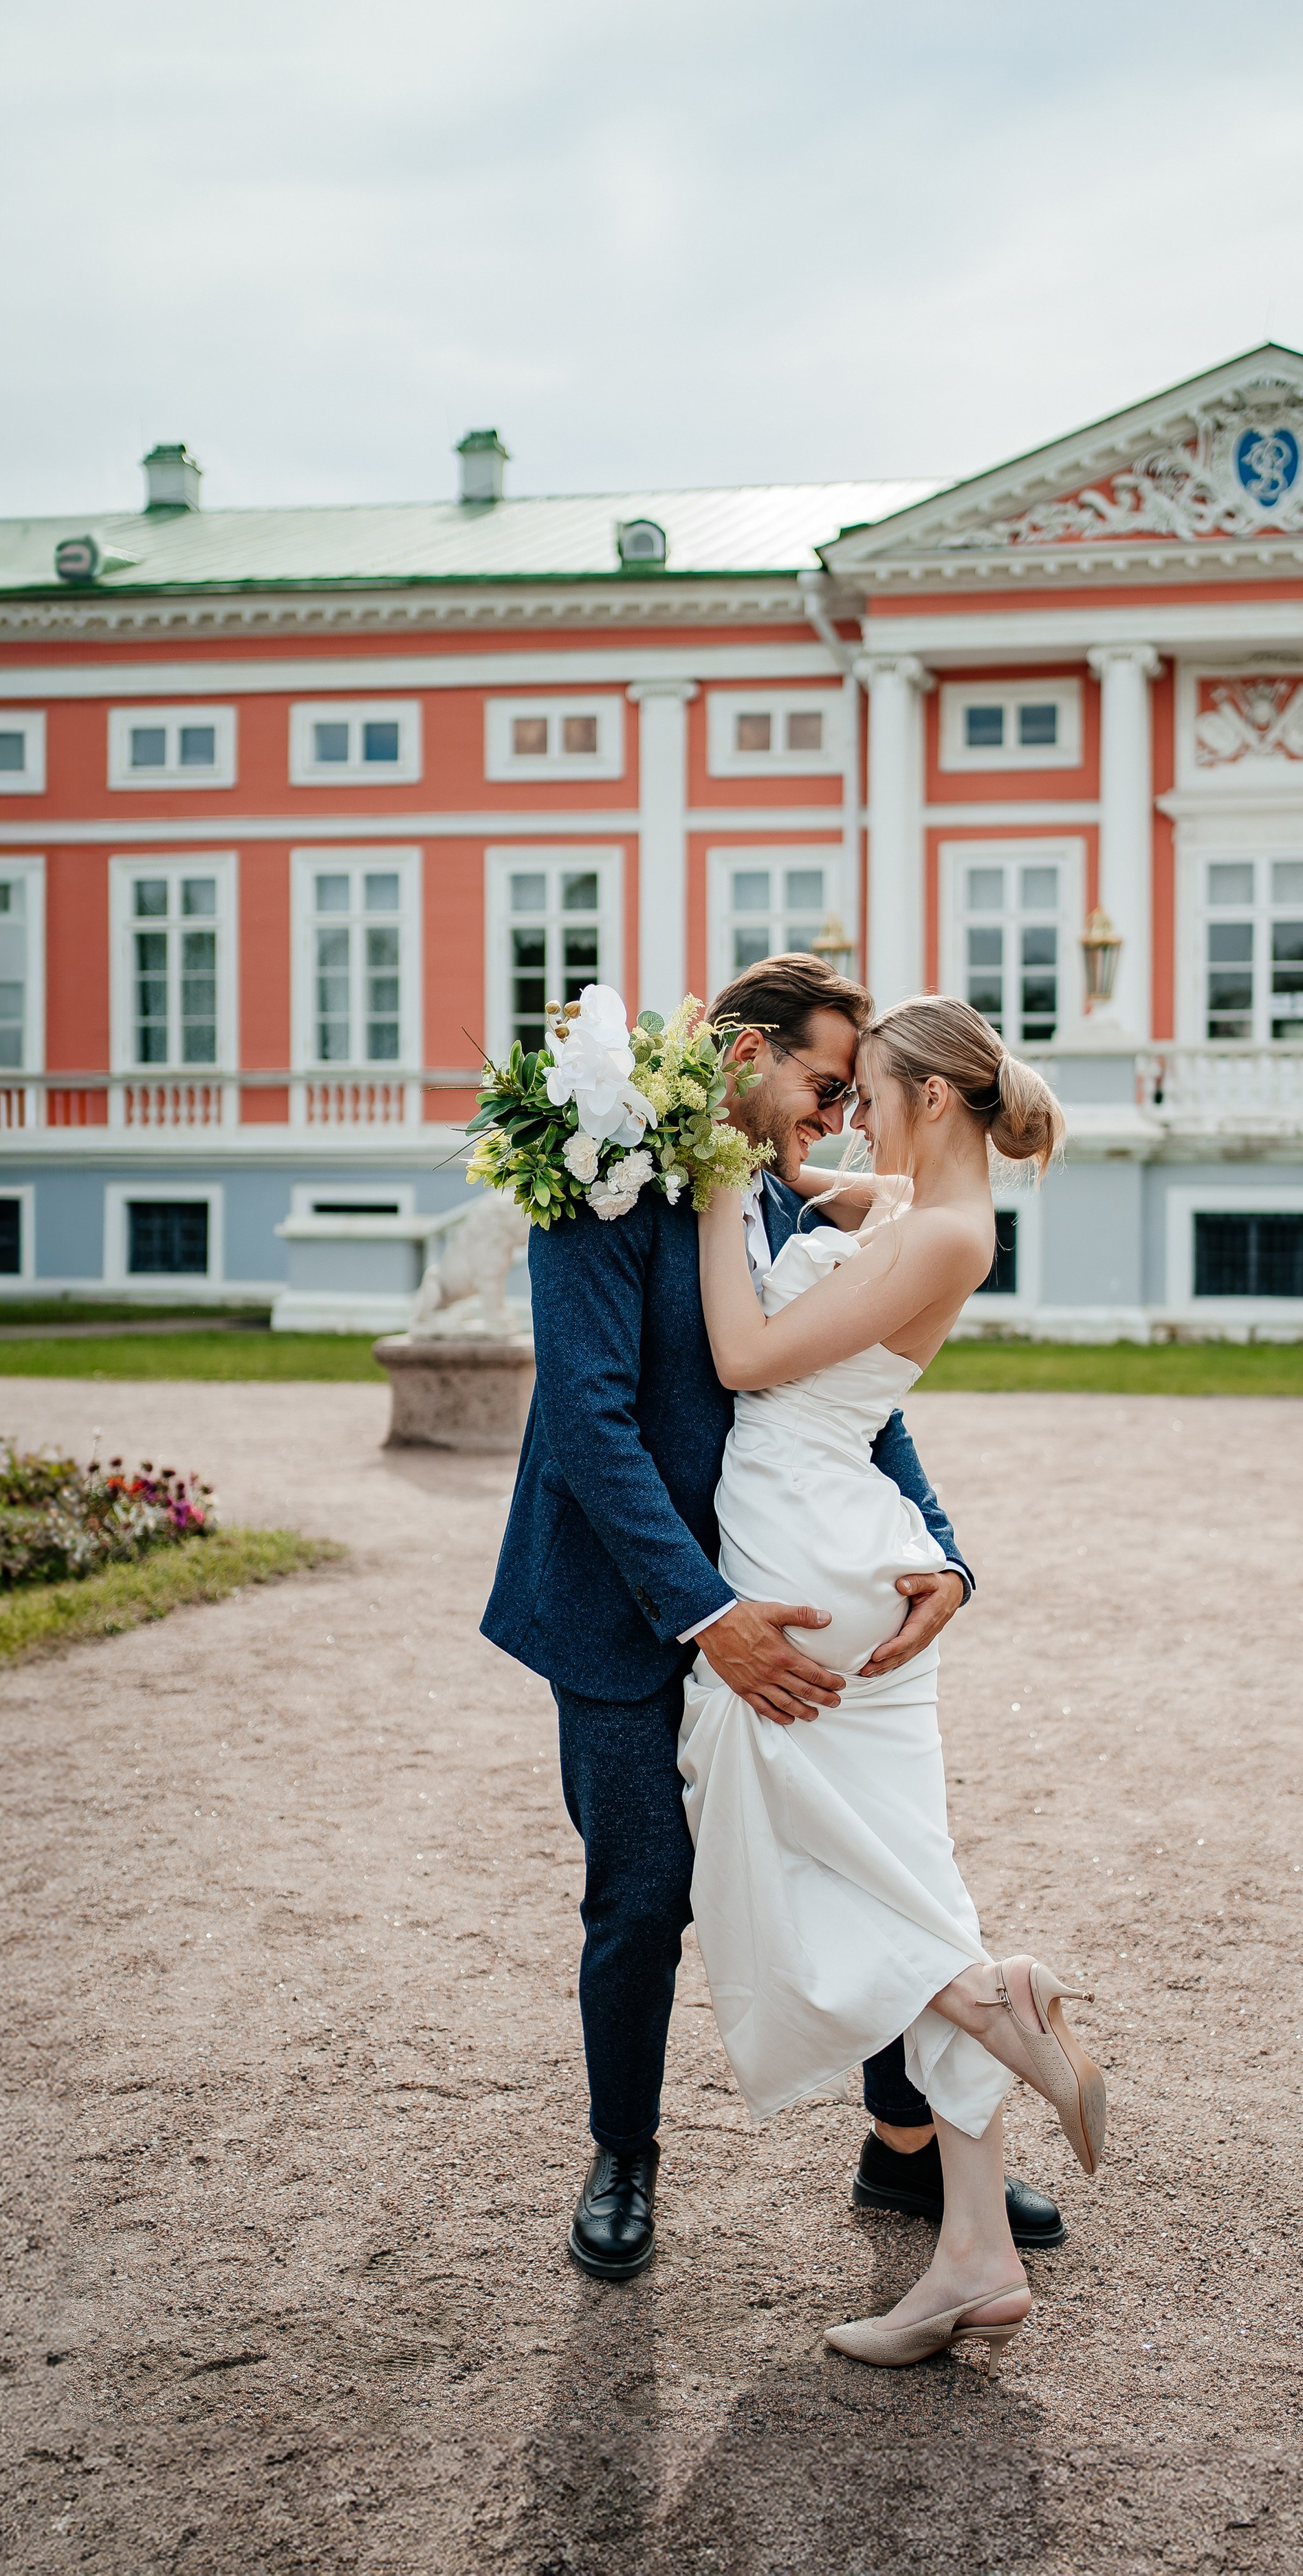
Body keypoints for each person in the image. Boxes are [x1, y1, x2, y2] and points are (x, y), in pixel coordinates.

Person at [480, 954, 1064, 2280]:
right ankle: (623, 2153)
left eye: (858, 1092)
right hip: (623, 1605)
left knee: (854, 1850)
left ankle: (902, 2147)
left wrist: (946, 1557)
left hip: (781, 1579)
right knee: (643, 1896)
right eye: (827, 1084)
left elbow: (857, 1404)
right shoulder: (601, 1171)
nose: (842, 1115)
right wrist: (706, 1614)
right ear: (747, 1053)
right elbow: (588, 1421)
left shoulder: (793, 1204)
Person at [679, 995, 1105, 2373]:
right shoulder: (923, 1203)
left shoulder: (942, 1229)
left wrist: (709, 1182)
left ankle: (987, 2000)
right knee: (912, 1883)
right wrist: (771, 1156)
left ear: (929, 1094)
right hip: (842, 1536)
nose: (849, 1113)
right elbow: (818, 1189)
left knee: (801, 1852)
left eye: (865, 1089)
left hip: (796, 1532)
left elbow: (744, 1357)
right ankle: (974, 2255)